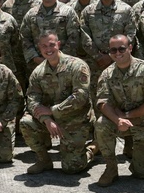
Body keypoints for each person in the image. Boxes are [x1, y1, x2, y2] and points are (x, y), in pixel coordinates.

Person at [20, 31, 94, 175]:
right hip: (52, 118)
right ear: (39, 48)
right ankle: (44, 160)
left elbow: (81, 96)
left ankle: (92, 149)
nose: (48, 49)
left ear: (58, 44)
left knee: (72, 168)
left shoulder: (77, 66)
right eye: (44, 46)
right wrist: (46, 119)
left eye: (52, 45)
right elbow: (32, 99)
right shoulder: (38, 72)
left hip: (76, 119)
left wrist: (53, 110)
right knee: (26, 122)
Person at [93, 34, 144, 186]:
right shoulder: (107, 74)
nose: (117, 53)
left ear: (130, 48)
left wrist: (126, 116)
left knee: (141, 174)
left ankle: (141, 156)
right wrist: (118, 120)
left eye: (121, 49)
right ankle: (111, 167)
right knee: (101, 124)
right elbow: (103, 102)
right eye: (113, 50)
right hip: (121, 122)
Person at [80, 0, 137, 96]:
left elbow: (131, 35)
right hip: (96, 65)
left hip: (120, 63)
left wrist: (112, 56)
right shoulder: (88, 12)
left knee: (121, 97)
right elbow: (85, 37)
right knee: (98, 98)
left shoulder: (126, 10)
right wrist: (98, 57)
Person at [21, 0, 86, 77]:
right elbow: (24, 38)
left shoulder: (67, 12)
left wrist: (59, 59)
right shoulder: (31, 14)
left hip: (64, 67)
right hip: (38, 67)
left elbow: (74, 38)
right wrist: (35, 58)